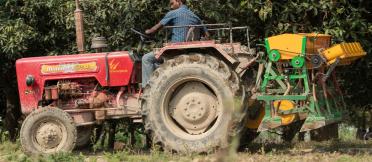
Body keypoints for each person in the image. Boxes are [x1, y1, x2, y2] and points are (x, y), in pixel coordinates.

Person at [141, 0, 208, 88]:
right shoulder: (195, 16)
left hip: (175, 51)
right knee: (156, 65)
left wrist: (147, 32)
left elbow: (155, 29)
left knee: (146, 59)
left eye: (172, 3)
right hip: (190, 50)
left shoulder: (173, 13)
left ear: (179, 1)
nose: (171, 7)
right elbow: (207, 35)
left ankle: (148, 89)